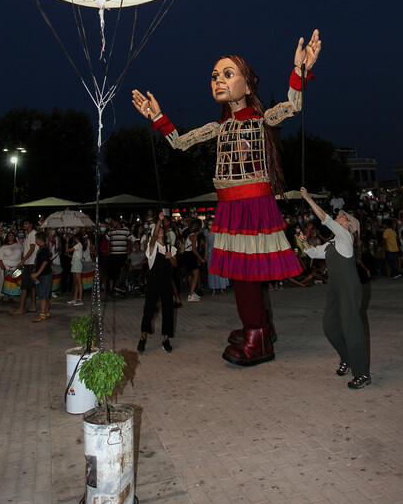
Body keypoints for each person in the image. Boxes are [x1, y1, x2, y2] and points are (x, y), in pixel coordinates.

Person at [133, 30, 321, 366]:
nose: (218, 80)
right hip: (230, 205)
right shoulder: (218, 128)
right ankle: (260, 327)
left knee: (246, 274)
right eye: (215, 76)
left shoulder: (262, 120)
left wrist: (300, 71)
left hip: (251, 203)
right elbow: (178, 142)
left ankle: (257, 338)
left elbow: (293, 105)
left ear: (248, 86)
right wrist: (157, 116)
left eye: (228, 74)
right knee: (242, 273)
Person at [299, 187, 371, 389]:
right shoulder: (332, 244)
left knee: (352, 330)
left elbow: (325, 218)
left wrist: (307, 197)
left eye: (343, 217)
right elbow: (313, 254)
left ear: (348, 225)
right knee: (330, 327)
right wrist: (304, 243)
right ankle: (347, 358)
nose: (339, 217)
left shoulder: (346, 238)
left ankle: (362, 374)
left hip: (348, 289)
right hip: (335, 289)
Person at [137, 213, 177, 354]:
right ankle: (143, 338)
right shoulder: (151, 247)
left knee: (168, 310)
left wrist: (170, 257)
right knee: (148, 309)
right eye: (157, 229)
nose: (160, 230)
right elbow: (153, 237)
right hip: (153, 282)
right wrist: (159, 220)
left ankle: (166, 340)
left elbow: (175, 263)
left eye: (161, 229)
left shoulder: (169, 247)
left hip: (166, 282)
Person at [11, 220, 37, 315]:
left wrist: (23, 261)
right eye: (24, 223)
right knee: (32, 286)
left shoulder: (33, 234)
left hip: (29, 263)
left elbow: (32, 248)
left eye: (26, 223)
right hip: (29, 262)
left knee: (24, 286)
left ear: (31, 224)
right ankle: (33, 305)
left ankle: (21, 308)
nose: (24, 225)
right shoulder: (28, 234)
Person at [31, 231, 52, 321]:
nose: (35, 241)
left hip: (44, 275)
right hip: (44, 274)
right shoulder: (43, 248)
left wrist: (37, 273)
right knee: (45, 294)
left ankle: (42, 314)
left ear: (39, 239)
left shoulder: (44, 249)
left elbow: (45, 262)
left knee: (43, 295)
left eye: (36, 239)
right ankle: (46, 312)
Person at [0, 229, 22, 301]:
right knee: (2, 281)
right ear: (7, 237)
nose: (11, 237)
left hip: (16, 267)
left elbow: (22, 254)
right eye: (9, 235)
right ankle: (0, 296)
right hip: (5, 267)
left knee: (13, 282)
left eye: (12, 235)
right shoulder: (3, 247)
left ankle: (10, 295)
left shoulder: (18, 245)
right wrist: (2, 266)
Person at [67, 231, 85, 306]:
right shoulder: (78, 245)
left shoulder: (79, 245)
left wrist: (66, 242)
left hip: (77, 263)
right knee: (75, 282)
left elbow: (68, 250)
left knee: (79, 281)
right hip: (75, 262)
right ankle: (75, 298)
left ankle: (80, 299)